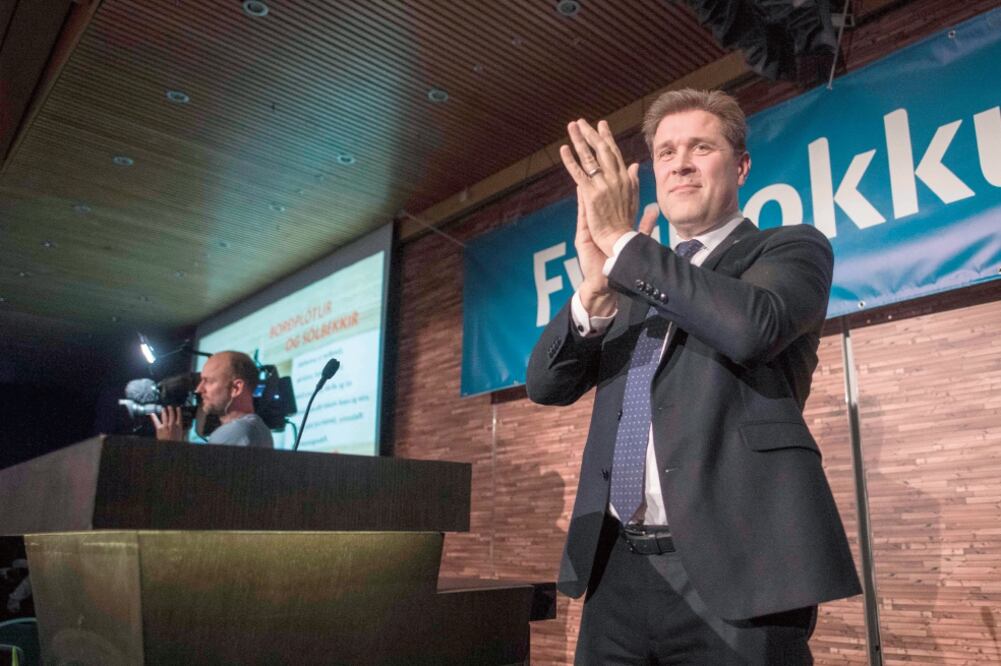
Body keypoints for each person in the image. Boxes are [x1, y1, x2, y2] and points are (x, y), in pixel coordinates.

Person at [526, 89, 861, 664]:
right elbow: (546, 385)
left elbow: (751, 328)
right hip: (617, 571)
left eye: (700, 147)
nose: (679, 163)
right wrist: (597, 290)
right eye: (665, 152)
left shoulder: (790, 248)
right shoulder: (634, 282)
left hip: (736, 571)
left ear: (741, 166)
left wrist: (624, 243)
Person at [150, 350, 274, 448]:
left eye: (208, 381)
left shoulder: (235, 431)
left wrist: (169, 447)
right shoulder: (256, 429)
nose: (199, 389)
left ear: (236, 388)